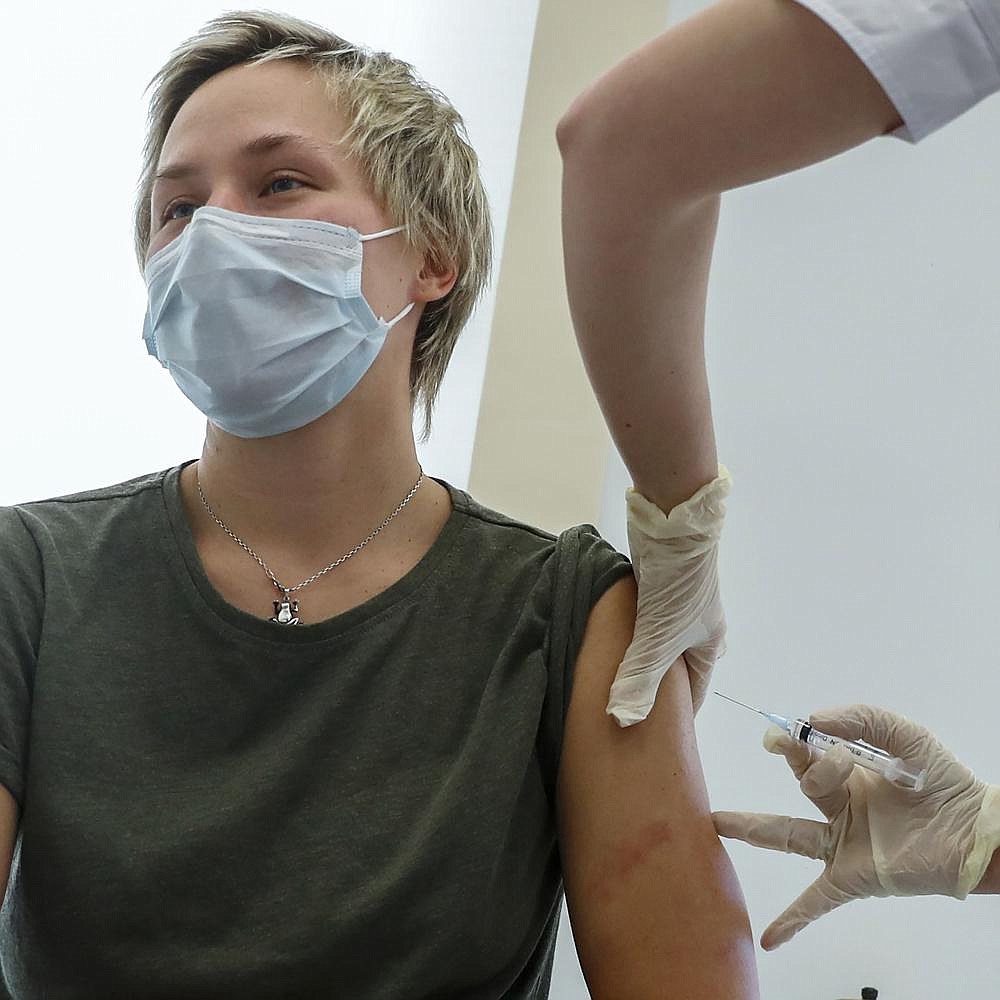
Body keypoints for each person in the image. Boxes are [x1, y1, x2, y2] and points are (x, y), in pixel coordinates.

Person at [0, 9, 756, 999]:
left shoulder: (566, 616)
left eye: (279, 182)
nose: (214, 230)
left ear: (431, 253)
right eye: (176, 209)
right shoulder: (31, 577)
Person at [556, 0, 1000, 962]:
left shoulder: (557, 607)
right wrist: (987, 848)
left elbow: (630, 145)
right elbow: (630, 147)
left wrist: (681, 535)